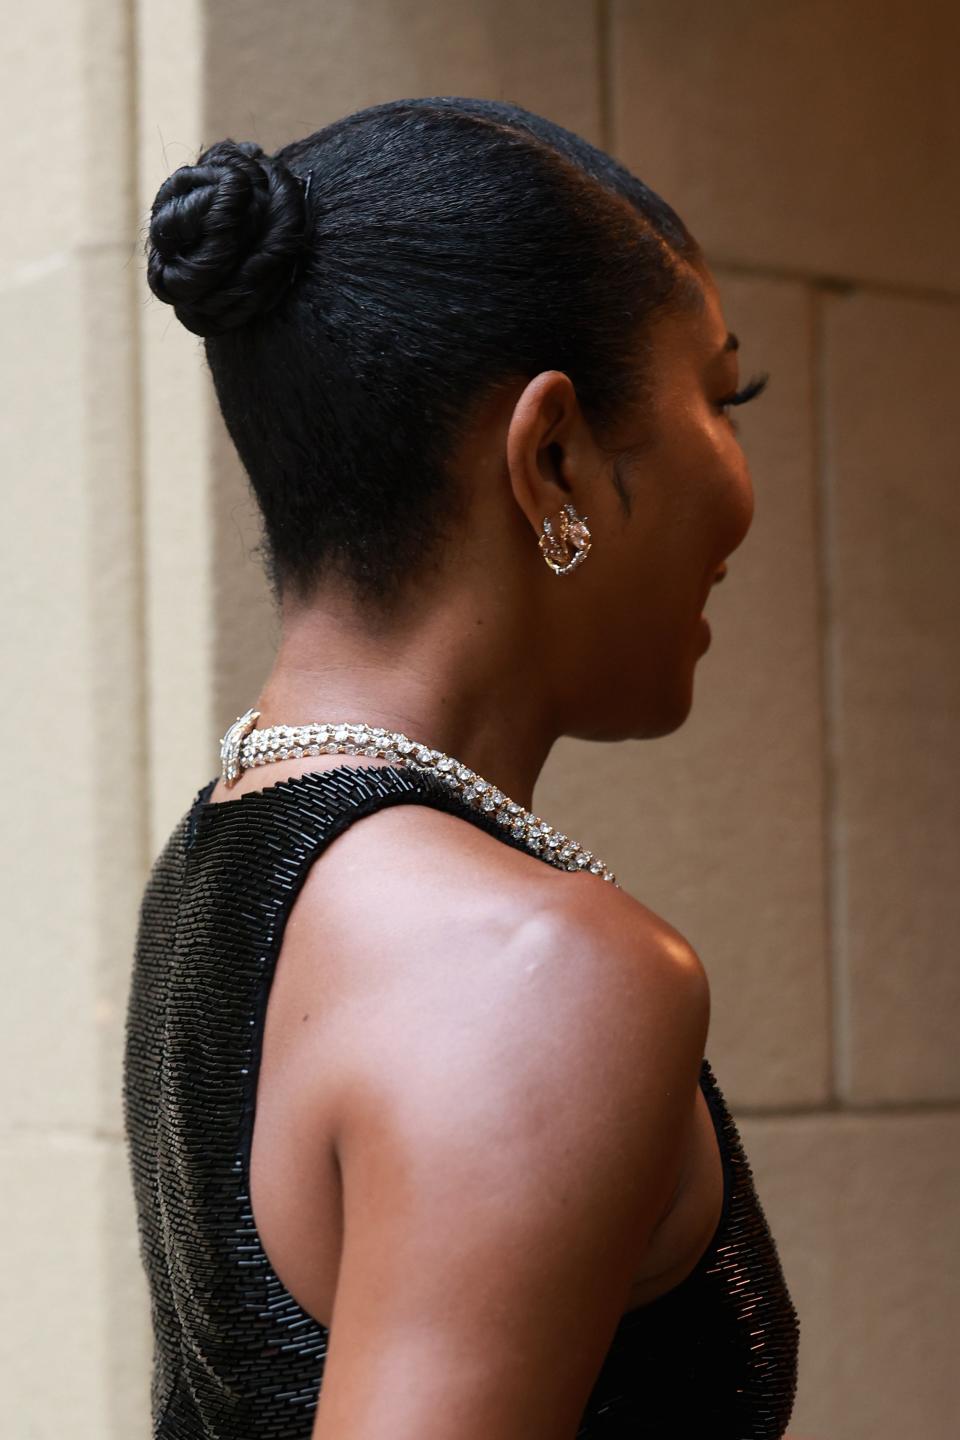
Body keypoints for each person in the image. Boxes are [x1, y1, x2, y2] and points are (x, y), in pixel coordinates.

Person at [123, 96, 800, 1439]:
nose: (744, 486)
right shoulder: (531, 970)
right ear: (552, 458)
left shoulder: (220, 854)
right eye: (726, 396)